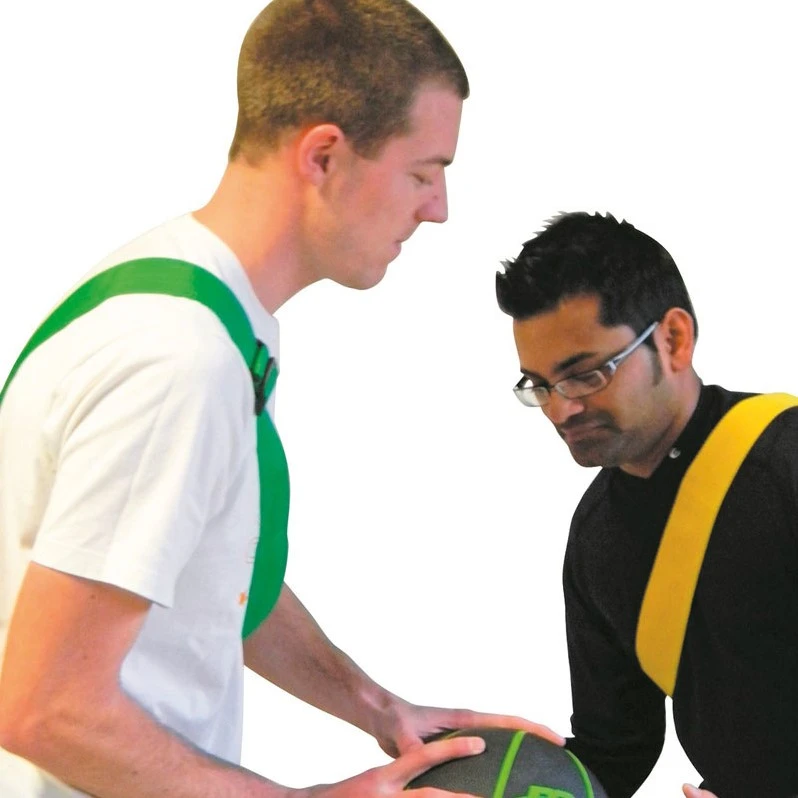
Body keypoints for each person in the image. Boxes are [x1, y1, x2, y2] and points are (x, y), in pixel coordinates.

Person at [0, 2, 561, 796]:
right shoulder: (176, 360)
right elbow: (45, 710)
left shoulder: (186, 302)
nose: (437, 208)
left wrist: (376, 707)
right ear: (324, 156)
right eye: (422, 172)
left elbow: (204, 571)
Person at [495, 211, 798, 798]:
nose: (560, 409)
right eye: (539, 385)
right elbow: (617, 747)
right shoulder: (598, 535)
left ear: (674, 340)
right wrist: (495, 777)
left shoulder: (785, 463)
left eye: (586, 375)